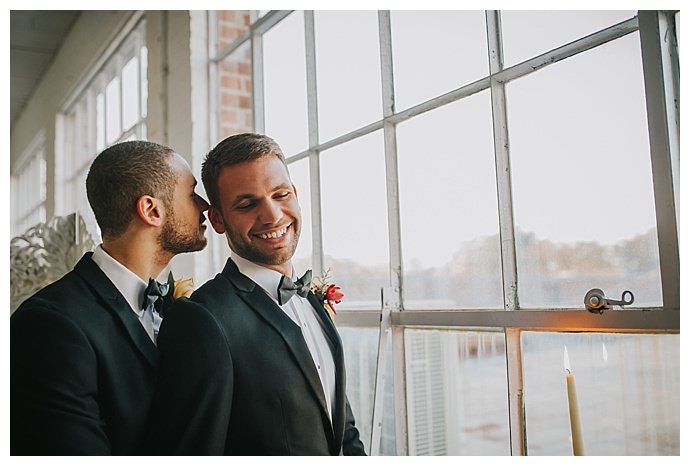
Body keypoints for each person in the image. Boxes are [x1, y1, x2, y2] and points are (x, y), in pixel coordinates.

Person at [148, 133, 367, 455]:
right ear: (218, 220)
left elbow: (343, 430)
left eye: (280, 195)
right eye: (248, 204)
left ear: (295, 194)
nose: (273, 216)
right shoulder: (201, 319)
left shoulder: (312, 300)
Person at [10, 140, 210, 455]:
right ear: (151, 210)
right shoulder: (49, 325)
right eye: (191, 193)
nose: (205, 206)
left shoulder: (179, 310)